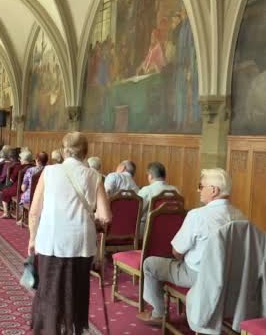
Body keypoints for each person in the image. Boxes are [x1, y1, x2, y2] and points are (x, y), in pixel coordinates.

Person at [137, 168, 246, 326]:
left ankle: (158, 313)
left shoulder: (198, 215)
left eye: (201, 186)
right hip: (233, 276)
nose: (198, 190)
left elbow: (177, 251)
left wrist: (184, 257)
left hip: (199, 275)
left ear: (214, 190)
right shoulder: (241, 216)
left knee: (149, 264)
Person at [28, 132, 112, 334]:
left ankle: (48, 329)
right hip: (81, 243)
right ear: (85, 152)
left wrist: (32, 238)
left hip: (51, 240)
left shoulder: (49, 172)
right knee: (76, 289)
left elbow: (34, 211)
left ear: (65, 151)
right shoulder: (95, 176)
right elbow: (106, 216)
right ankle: (72, 328)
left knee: (49, 289)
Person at [137, 161, 179, 232]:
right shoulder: (175, 190)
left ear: (150, 176)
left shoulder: (147, 190)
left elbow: (136, 212)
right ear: (164, 176)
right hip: (171, 230)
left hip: (149, 231)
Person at [0, 150, 34, 219]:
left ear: (25, 159)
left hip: (18, 189)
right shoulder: (34, 167)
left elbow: (12, 180)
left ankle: (6, 212)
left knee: (5, 192)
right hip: (30, 190)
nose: (20, 160)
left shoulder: (19, 167)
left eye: (21, 158)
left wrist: (7, 185)